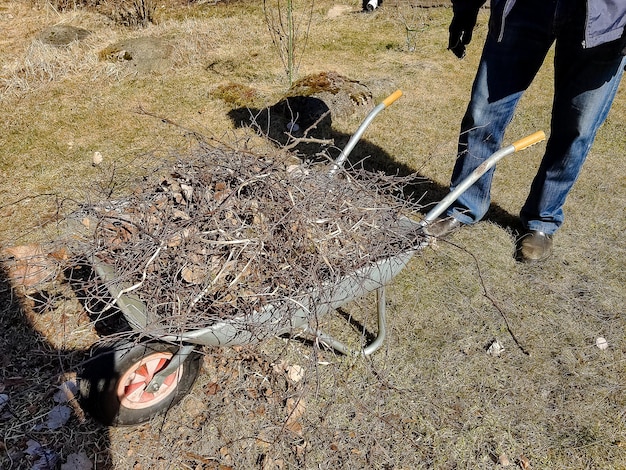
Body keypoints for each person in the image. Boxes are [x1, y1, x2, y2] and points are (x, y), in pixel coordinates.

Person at [425, 0, 626, 262]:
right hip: (524, 7)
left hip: (605, 16)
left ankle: (542, 219)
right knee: (483, 112)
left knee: (578, 127)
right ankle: (463, 204)